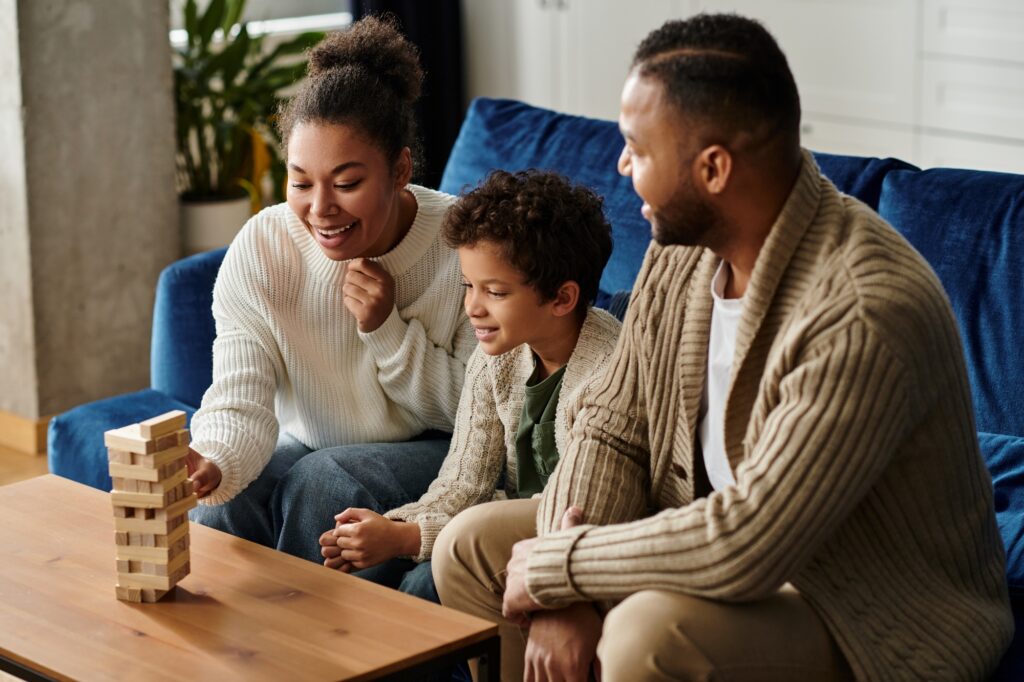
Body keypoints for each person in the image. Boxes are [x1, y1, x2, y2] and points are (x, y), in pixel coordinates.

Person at [433, 13, 1014, 682]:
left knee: (645, 637)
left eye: (638, 148)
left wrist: (565, 566)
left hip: (855, 604)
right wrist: (563, 585)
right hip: (693, 538)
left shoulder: (864, 309)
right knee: (469, 547)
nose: (622, 165)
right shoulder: (680, 251)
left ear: (712, 167)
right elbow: (613, 426)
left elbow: (752, 538)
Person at [185, 16, 476, 565]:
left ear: (399, 170)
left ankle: (308, 650)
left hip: (434, 449)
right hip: (309, 439)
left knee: (325, 483)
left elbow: (481, 409)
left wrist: (388, 332)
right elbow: (240, 394)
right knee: (221, 504)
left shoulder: (462, 243)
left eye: (346, 183)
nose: (320, 209)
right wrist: (213, 462)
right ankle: (221, 652)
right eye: (300, 182)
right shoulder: (266, 246)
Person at [317, 170, 621, 602]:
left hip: (571, 544)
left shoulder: (607, 375)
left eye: (494, 292)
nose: (472, 308)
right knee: (372, 572)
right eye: (468, 287)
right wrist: (390, 530)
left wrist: (406, 540)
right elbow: (463, 483)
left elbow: (571, 514)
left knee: (424, 583)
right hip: (499, 529)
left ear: (562, 298)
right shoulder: (498, 357)